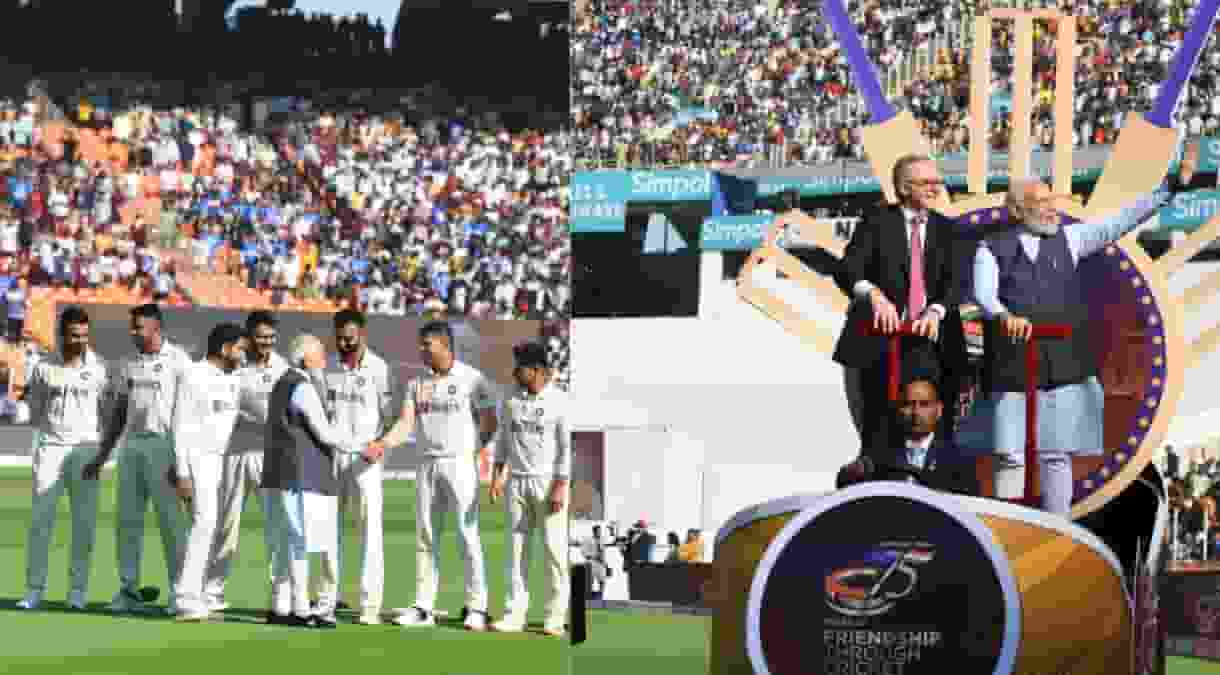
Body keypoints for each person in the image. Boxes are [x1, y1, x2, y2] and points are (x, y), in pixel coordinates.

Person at [973, 178, 1170, 515]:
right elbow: (984, 295)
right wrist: (1003, 315)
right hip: (1012, 363)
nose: (1052, 208)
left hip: (1064, 362)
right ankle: (1008, 526)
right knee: (1009, 452)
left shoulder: (1071, 238)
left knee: (1056, 451)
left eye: (1053, 200)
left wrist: (1169, 190)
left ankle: (1057, 525)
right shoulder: (990, 248)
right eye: (1041, 202)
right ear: (1018, 210)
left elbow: (1120, 222)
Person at [833, 154, 965, 455]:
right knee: (879, 432)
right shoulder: (876, 222)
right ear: (904, 188)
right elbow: (846, 270)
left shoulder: (949, 229)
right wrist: (874, 295)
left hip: (935, 345)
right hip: (881, 344)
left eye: (937, 181)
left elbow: (958, 282)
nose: (936, 188)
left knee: (937, 435)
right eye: (927, 182)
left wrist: (936, 310)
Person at [383, 322, 497, 630]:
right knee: (426, 536)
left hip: (459, 464)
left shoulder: (473, 379)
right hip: (425, 464)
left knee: (466, 534)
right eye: (420, 344)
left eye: (427, 345)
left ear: (445, 345)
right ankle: (423, 606)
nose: (421, 350)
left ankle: (477, 607)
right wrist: (383, 443)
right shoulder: (415, 383)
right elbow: (406, 423)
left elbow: (489, 421)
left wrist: (473, 449)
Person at [84, 303, 193, 614]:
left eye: (138, 328)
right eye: (132, 327)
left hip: (165, 446)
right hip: (131, 448)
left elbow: (190, 414)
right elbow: (119, 412)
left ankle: (180, 592)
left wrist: (183, 460)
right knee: (127, 521)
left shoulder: (179, 361)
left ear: (156, 328)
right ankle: (128, 589)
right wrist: (103, 454)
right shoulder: (128, 362)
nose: (133, 332)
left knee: (171, 522)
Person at [10, 307, 109, 610]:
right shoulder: (42, 367)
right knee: (41, 521)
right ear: (61, 334)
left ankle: (77, 592)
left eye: (84, 335)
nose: (80, 341)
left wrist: (101, 452)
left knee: (84, 523)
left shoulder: (100, 368)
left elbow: (108, 412)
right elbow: (34, 408)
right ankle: (33, 590)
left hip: (85, 450)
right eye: (74, 335)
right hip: (50, 448)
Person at [263, 334, 359, 629]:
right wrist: (361, 445)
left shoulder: (281, 382)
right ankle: (302, 609)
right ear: (305, 358)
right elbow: (325, 434)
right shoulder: (302, 387)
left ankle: (281, 606)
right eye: (319, 354)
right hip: (301, 473)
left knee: (284, 541)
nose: (323, 359)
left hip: (278, 473)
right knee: (299, 541)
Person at [204, 311, 289, 611]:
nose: (266, 342)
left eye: (270, 336)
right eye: (260, 336)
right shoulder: (235, 366)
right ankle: (212, 592)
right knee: (226, 524)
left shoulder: (283, 367)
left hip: (270, 455)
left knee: (276, 526)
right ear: (249, 337)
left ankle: (281, 595)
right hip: (235, 453)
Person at [314, 309, 392, 625]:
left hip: (365, 460)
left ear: (362, 334)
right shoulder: (327, 367)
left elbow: (389, 416)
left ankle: (370, 604)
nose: (345, 343)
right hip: (333, 458)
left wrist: (380, 445)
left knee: (370, 531)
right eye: (340, 337)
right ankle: (326, 599)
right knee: (326, 531)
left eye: (350, 337)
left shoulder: (379, 368)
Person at [488, 340, 570, 636]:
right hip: (517, 483)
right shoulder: (511, 400)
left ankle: (555, 617)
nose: (514, 373)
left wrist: (560, 486)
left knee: (554, 551)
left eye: (520, 368)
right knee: (516, 551)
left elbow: (565, 448)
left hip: (548, 483)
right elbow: (503, 442)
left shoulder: (560, 401)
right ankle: (514, 614)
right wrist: (498, 475)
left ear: (536, 370)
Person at [169, 323, 247, 622]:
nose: (243, 354)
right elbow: (180, 424)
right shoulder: (194, 374)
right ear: (225, 348)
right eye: (239, 348)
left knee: (208, 526)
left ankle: (193, 594)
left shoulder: (233, 379)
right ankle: (186, 598)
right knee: (203, 524)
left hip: (217, 460)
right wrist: (182, 471)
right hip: (196, 458)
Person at [836, 375, 978, 495]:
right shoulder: (879, 453)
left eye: (924, 404)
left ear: (939, 410)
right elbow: (845, 485)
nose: (916, 412)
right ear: (898, 409)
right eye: (908, 404)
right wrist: (851, 473)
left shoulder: (958, 459)